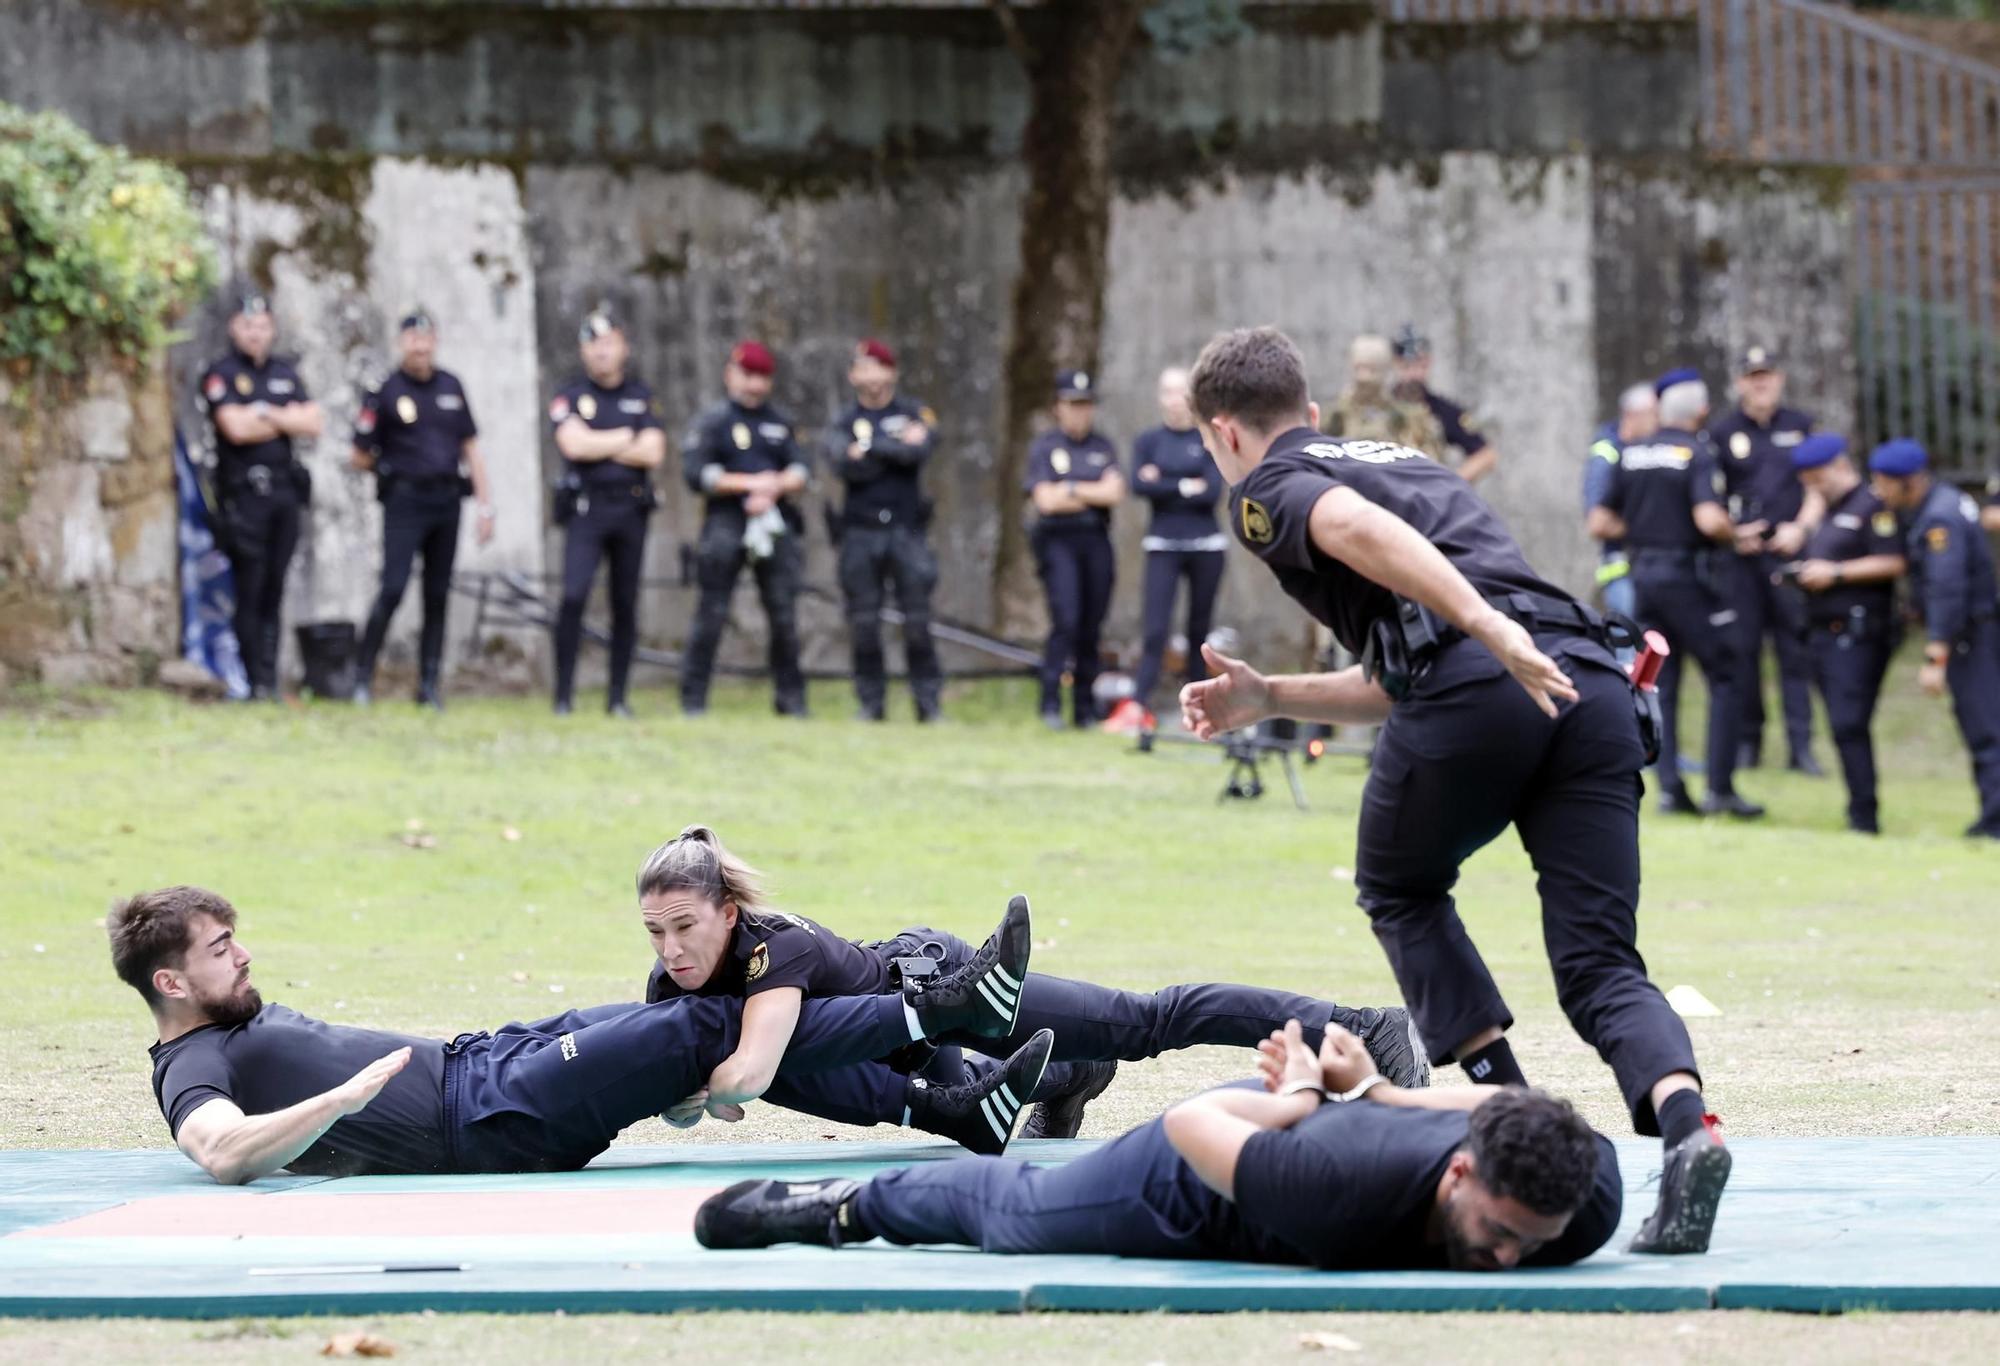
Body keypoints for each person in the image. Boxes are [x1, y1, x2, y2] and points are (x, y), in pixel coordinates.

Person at [1176, 326, 1728, 1255]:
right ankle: (1687, 1130)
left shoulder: (1265, 488)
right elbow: (1396, 673)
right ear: (1313, 414)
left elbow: (1365, 538)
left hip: (1495, 671)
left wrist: (1483, 626)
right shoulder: (1402, 455)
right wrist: (1270, 696)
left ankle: (1500, 1112)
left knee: (1398, 887)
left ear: (1223, 432)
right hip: (1588, 681)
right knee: (1600, 965)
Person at [109, 883, 1037, 1183]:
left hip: (486, 1059)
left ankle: (955, 1112)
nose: (242, 958)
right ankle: (947, 1007)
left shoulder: (229, 1017)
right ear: (169, 982)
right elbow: (222, 1152)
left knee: (706, 1034)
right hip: (488, 1115)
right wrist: (342, 1103)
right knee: (711, 1024)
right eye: (221, 951)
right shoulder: (191, 1062)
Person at [631, 825, 1429, 1150]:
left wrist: (695, 1084)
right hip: (909, 1055)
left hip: (949, 985)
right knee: (981, 1117)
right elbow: (712, 1102)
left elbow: (748, 1078)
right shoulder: (669, 989)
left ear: (729, 914)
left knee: (1147, 1020)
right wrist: (703, 1089)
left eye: (685, 928)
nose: (671, 950)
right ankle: (1072, 1079)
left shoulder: (778, 949)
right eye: (655, 933)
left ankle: (1362, 1025)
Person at [696, 1019, 1624, 1273]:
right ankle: (838, 1207)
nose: (1508, 1260)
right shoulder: (1342, 1197)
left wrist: (1379, 1090)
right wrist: (1302, 1096)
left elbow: (1515, 1100)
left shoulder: (1574, 1199)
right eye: (1498, 1234)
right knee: (1014, 1215)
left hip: (1317, 1125)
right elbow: (1190, 1124)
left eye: (1527, 1245)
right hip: (1199, 1170)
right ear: (1461, 1170)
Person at [1589, 370, 1763, 818]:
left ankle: (1669, 789)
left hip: (1642, 578)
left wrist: (1648, 529)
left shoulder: (1629, 453)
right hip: (1690, 580)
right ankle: (1720, 789)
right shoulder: (1696, 452)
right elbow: (1708, 519)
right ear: (1701, 412)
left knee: (1660, 683)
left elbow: (1601, 522)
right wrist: (1735, 534)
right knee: (1725, 676)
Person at [350, 309, 496, 710]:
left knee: (437, 594)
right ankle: (362, 676)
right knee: (393, 589)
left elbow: (471, 450)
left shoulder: (451, 386)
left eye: (426, 337)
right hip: (404, 501)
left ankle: (428, 685)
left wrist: (487, 506)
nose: (420, 345)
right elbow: (358, 454)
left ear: (435, 341)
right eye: (412, 338)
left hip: (447, 500)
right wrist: (389, 469)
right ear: (402, 342)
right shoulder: (385, 390)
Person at [1868, 440, 2000, 839]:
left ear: (1907, 483)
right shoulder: (1946, 500)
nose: (1878, 492)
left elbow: (1947, 589)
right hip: (1978, 629)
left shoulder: (1938, 519)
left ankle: (1995, 822)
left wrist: (1935, 655)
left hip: (1969, 635)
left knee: (1985, 729)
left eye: (1883, 483)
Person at [196, 293, 323, 701]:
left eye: (263, 325)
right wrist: (282, 418)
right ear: (235, 327)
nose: (256, 333)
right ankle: (251, 681)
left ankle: (268, 679)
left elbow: (314, 421)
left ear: (272, 329)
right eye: (248, 325)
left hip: (285, 494)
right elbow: (234, 428)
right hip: (245, 496)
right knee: (250, 588)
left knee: (275, 588)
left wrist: (263, 413)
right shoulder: (222, 372)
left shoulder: (286, 370)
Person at [1705, 346, 1821, 775]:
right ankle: (1749, 742)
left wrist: (1802, 529)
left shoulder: (1801, 426)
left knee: (1796, 652)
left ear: (1780, 378)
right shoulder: (1722, 432)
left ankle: (1801, 747)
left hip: (1789, 554)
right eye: (1753, 376)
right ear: (1740, 383)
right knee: (1744, 651)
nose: (1761, 383)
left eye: (1767, 374)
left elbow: (1817, 487)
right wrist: (1734, 535)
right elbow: (1708, 496)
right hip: (1743, 559)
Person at [680, 342, 810, 717]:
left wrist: (774, 487)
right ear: (730, 374)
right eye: (748, 375)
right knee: (712, 613)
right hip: (726, 522)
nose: (754, 385)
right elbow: (697, 473)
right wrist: (750, 485)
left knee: (783, 614)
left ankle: (792, 701)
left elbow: (801, 470)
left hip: (774, 521)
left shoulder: (780, 422)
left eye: (762, 377)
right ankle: (693, 701)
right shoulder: (713, 421)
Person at [548, 310, 666, 717]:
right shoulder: (569, 395)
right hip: (587, 509)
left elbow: (654, 452)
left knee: (625, 603)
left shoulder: (641, 395)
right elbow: (573, 446)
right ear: (583, 351)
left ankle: (617, 698)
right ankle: (563, 697)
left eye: (609, 342)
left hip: (631, 508)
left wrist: (598, 441)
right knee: (573, 597)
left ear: (624, 348)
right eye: (593, 344)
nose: (602, 351)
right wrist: (624, 437)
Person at [1787, 435, 1906, 834]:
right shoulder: (1824, 510)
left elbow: (1894, 561)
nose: (1813, 488)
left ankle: (1864, 815)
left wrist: (1835, 574)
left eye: (1818, 479)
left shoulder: (1873, 507)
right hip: (1821, 632)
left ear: (1840, 466)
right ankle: (1858, 808)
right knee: (1841, 725)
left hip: (1857, 634)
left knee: (1849, 722)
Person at [1103, 366, 1228, 733]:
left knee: (1198, 632)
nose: (1174, 400)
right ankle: (1139, 704)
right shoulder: (1148, 441)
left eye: (1181, 392)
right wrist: (1185, 484)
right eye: (1167, 392)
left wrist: (1166, 482)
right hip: (1163, 544)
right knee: (1156, 629)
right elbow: (1139, 485)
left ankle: (1199, 707)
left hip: (1206, 545)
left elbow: (1210, 492)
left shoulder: (1208, 438)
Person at [827, 339, 943, 723]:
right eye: (863, 367)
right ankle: (870, 704)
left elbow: (917, 453)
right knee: (863, 622)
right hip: (860, 533)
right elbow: (844, 465)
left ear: (892, 372)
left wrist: (870, 449)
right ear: (852, 375)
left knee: (917, 622)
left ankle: (927, 705)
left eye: (878, 366)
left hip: (907, 531)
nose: (871, 375)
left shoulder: (915, 412)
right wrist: (891, 447)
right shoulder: (843, 419)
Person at [1024, 369, 1124, 729]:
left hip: (1095, 541)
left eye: (1086, 405)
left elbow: (1114, 493)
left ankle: (1083, 708)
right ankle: (1050, 701)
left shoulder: (1102, 446)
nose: (1080, 412)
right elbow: (1045, 501)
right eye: (1073, 404)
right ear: (1058, 407)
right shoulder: (1045, 447)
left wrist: (1069, 489)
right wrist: (1088, 491)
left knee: (1091, 626)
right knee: (1065, 619)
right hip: (1058, 542)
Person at [1582, 383, 1658, 624]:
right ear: (1632, 415)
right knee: (1629, 654)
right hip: (1623, 571)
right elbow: (1597, 523)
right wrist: (1655, 528)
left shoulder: (1646, 448)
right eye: (1654, 414)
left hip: (1646, 570)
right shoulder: (1608, 452)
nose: (1660, 422)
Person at [1392, 324, 1498, 484]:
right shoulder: (1379, 408)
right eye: (1407, 366)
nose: (1414, 374)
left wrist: (1449, 485)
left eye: (1421, 365)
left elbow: (1486, 455)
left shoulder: (1441, 409)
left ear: (1429, 363)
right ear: (1396, 364)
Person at [1320, 334, 1441, 456]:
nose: (1364, 377)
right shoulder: (1334, 417)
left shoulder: (1407, 418)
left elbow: (1428, 461)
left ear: (1385, 370)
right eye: (1359, 368)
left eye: (1371, 369)